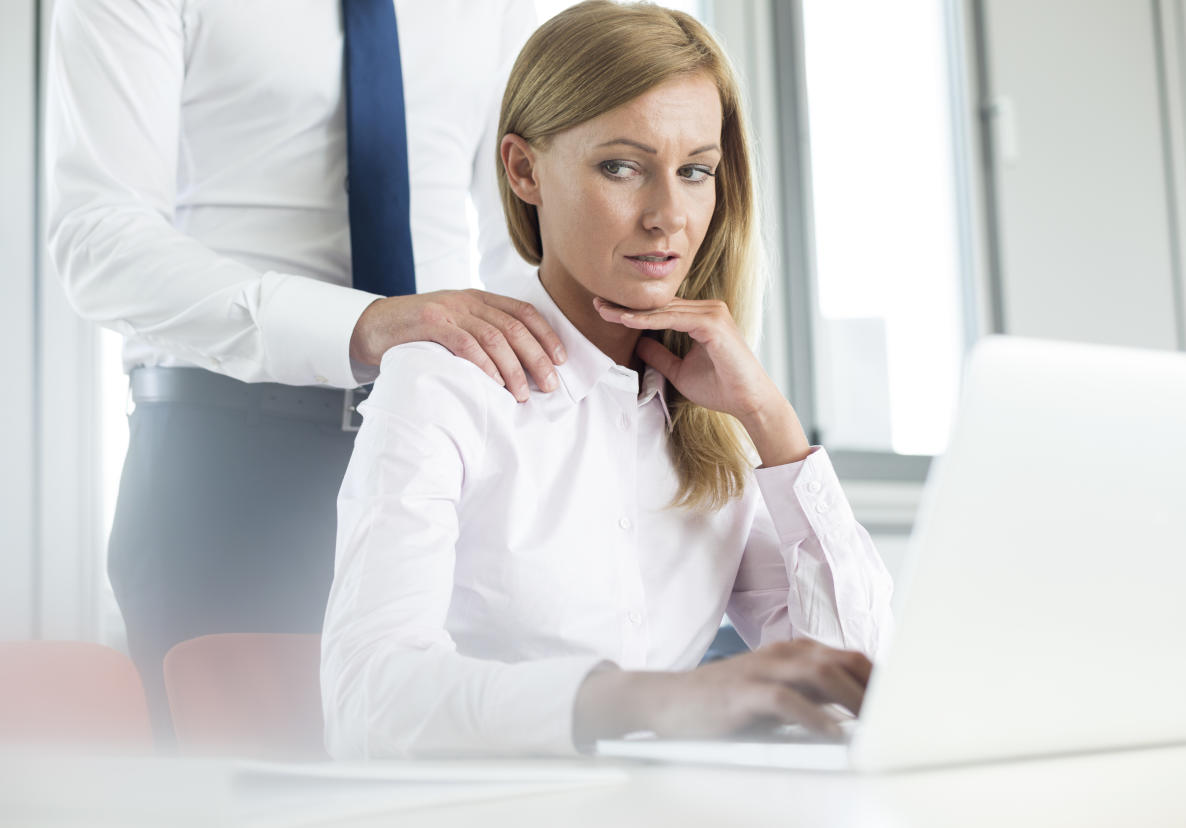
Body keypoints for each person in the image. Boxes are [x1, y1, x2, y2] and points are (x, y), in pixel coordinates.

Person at [320, 0, 896, 758]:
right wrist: (649, 703)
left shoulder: (710, 412)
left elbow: (861, 679)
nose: (667, 215)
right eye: (621, 166)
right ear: (524, 170)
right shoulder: (442, 388)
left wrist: (773, 425)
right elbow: (371, 704)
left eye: (695, 172)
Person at [45, 0, 563, 737]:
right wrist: (360, 324)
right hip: (228, 461)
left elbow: (531, 238)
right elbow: (100, 242)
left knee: (458, 774)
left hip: (455, 454)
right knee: (244, 791)